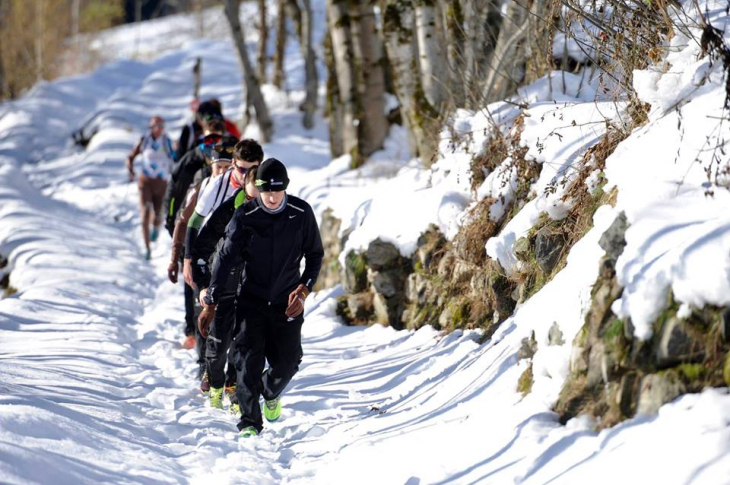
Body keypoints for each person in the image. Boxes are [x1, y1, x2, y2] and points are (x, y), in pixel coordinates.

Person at [199, 158, 324, 438]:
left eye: (276, 191)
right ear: (258, 188)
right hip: (251, 301)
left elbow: (315, 255)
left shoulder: (300, 213)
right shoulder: (245, 215)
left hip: (286, 303)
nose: (270, 196)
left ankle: (269, 392)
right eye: (265, 190)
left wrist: (304, 289)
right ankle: (249, 423)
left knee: (289, 361)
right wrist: (211, 302)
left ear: (285, 189)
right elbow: (225, 259)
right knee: (246, 362)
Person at [191, 147, 262, 410]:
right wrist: (202, 282)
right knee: (219, 342)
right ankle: (214, 375)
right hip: (224, 284)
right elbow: (202, 244)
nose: (254, 205)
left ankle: (234, 386)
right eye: (251, 199)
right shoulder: (227, 208)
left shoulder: (271, 212)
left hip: (254, 288)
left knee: (245, 342)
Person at [164, 118, 226, 236]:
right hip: (187, 220)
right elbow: (174, 188)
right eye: (209, 139)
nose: (213, 145)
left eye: (217, 140)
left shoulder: (228, 162)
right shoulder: (191, 160)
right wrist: (170, 217)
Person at [126, 116, 176, 260]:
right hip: (145, 181)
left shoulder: (167, 141)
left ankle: (156, 227)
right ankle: (147, 248)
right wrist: (130, 169)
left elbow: (175, 156)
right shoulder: (144, 140)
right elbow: (131, 156)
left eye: (161, 126)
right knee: (145, 213)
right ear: (151, 127)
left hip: (161, 182)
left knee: (158, 214)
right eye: (156, 126)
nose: (159, 129)